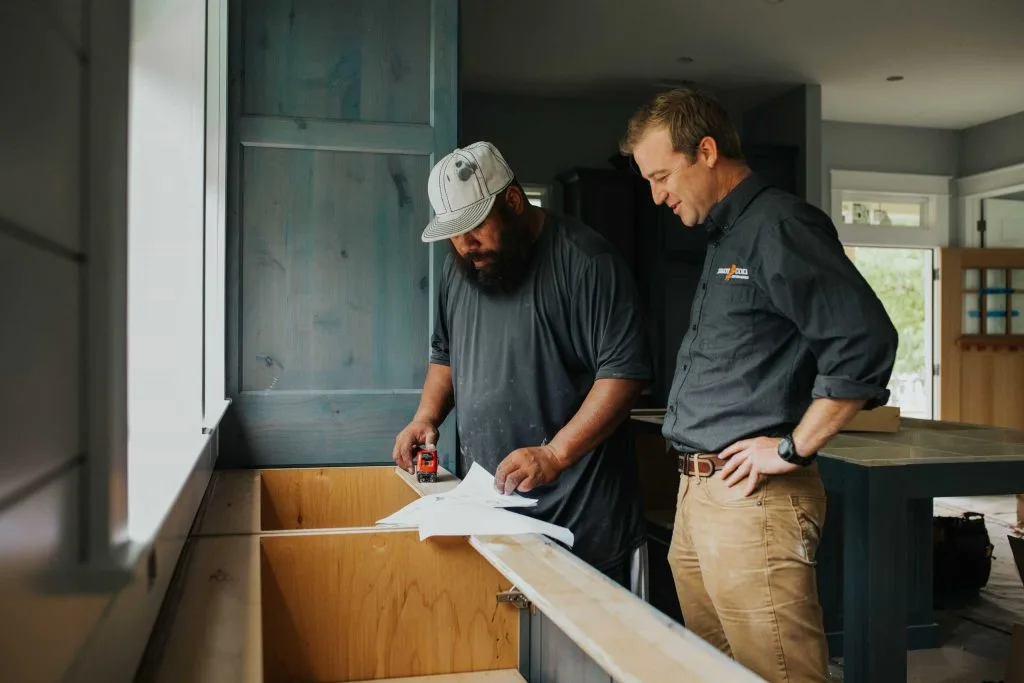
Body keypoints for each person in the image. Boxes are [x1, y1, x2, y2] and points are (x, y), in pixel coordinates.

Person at [619, 89, 898, 683]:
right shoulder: (727, 235)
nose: (657, 195)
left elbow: (864, 341)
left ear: (708, 151)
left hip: (754, 506)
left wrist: (793, 447)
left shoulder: (780, 226)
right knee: (714, 673)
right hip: (699, 499)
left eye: (663, 175)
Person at [392, 141, 654, 589]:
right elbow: (445, 352)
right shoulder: (460, 269)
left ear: (513, 201)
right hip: (493, 515)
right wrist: (426, 416)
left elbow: (624, 373)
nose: (464, 245)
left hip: (584, 527)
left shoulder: (588, 264)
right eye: (453, 233)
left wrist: (555, 453)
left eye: (474, 228)